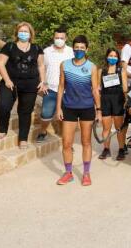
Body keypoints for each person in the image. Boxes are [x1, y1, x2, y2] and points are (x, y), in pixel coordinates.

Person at [55, 35, 101, 186]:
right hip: (69, 108)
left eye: (82, 48)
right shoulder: (64, 65)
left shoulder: (92, 67)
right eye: (77, 47)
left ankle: (86, 174)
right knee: (66, 143)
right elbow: (61, 87)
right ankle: (68, 173)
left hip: (87, 108)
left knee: (86, 142)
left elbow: (95, 90)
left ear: (87, 49)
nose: (79, 50)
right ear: (73, 48)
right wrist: (58, 108)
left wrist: (99, 110)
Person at [0, 22, 47, 149]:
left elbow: (41, 65)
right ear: (17, 33)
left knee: (25, 111)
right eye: (21, 31)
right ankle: (2, 130)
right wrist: (7, 80)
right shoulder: (10, 46)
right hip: (10, 83)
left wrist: (43, 81)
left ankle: (23, 139)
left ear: (30, 34)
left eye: (26, 31)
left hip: (30, 84)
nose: (23, 33)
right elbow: (1, 63)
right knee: (3, 105)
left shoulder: (36, 48)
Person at [37, 27, 73, 143]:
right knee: (45, 114)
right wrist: (43, 82)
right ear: (53, 38)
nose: (59, 40)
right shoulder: (46, 51)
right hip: (51, 89)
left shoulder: (71, 51)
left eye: (61, 38)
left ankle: (65, 139)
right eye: (57, 37)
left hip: (67, 90)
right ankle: (43, 131)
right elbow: (41, 67)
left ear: (66, 38)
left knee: (65, 116)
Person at [97, 48, 128, 160]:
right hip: (105, 100)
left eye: (115, 56)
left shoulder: (121, 70)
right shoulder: (101, 71)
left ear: (118, 58)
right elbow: (97, 89)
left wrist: (127, 102)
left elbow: (125, 88)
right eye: (110, 55)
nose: (112, 58)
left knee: (118, 127)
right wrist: (98, 107)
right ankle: (106, 149)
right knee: (106, 127)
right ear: (106, 56)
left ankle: (121, 149)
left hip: (118, 100)